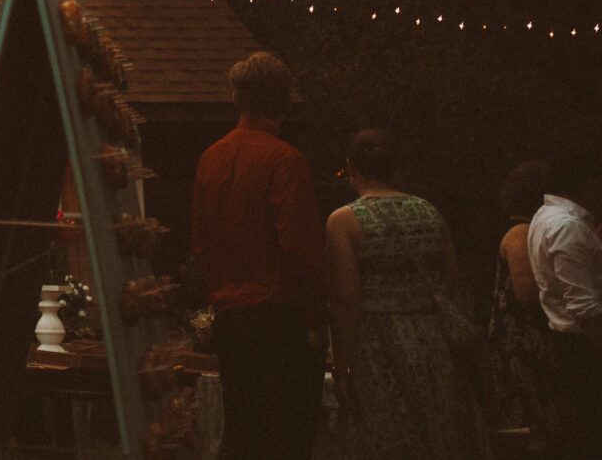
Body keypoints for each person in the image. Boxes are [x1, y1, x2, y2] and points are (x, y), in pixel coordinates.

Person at [191, 51, 326, 460]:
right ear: (284, 101)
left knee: (241, 433)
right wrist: (317, 319)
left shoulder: (211, 158)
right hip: (279, 319)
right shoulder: (285, 160)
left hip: (230, 316)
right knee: (287, 435)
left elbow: (201, 239)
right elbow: (298, 245)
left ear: (237, 99)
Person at [323, 128, 483, 460]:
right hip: (432, 337)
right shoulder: (429, 212)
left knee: (385, 434)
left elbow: (348, 298)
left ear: (352, 166)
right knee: (437, 433)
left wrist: (342, 364)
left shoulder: (345, 221)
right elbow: (452, 282)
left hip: (376, 343)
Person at [528, 123, 602, 456]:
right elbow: (584, 305)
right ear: (587, 182)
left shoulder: (546, 216)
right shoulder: (567, 225)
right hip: (584, 344)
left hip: (569, 341)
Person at [489, 159, 566, 455]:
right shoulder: (520, 233)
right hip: (522, 340)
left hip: (528, 338)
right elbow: (526, 293)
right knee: (534, 422)